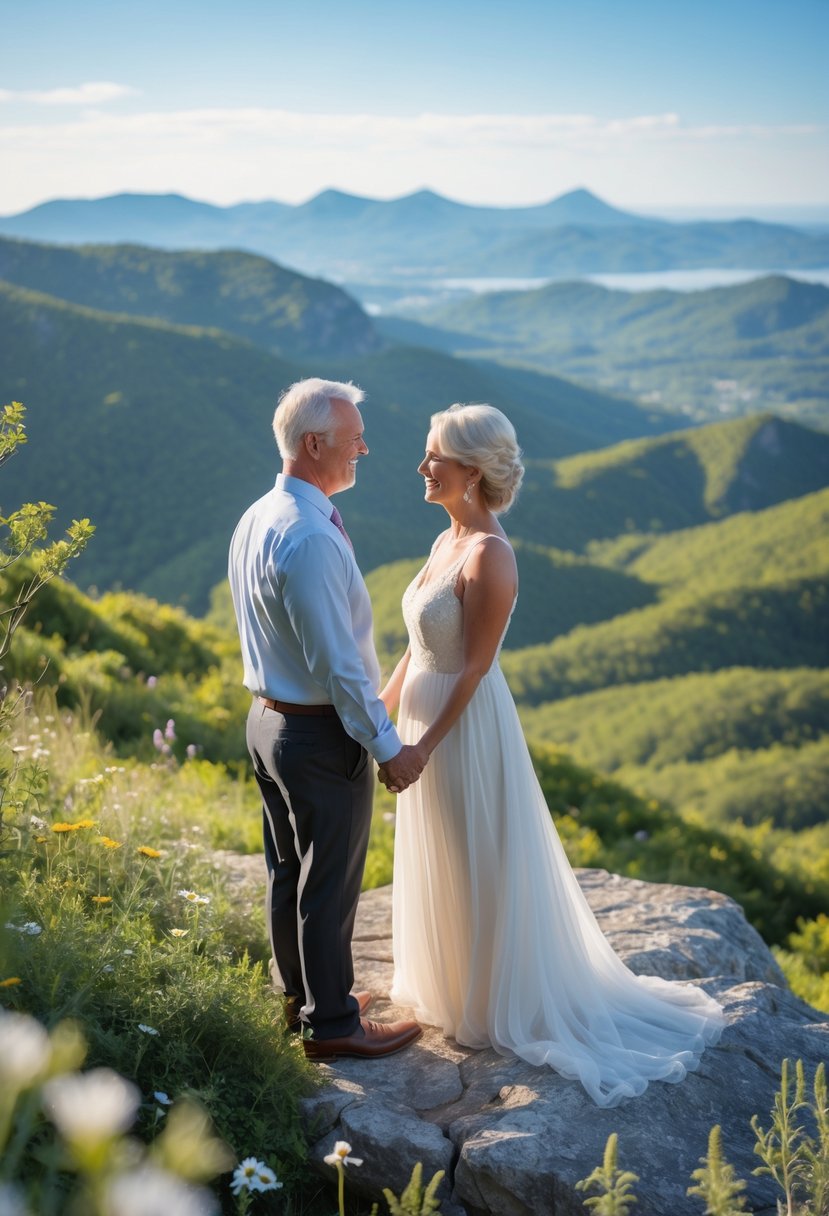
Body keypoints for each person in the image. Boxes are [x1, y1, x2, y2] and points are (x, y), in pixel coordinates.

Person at [379, 403, 724, 1107]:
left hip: (461, 727)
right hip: (420, 713)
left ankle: (492, 998)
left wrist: (418, 747)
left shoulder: (489, 555)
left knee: (475, 854)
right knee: (441, 852)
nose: (422, 467)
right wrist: (374, 719)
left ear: (470, 473)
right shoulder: (446, 541)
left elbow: (472, 669)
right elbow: (415, 650)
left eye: (434, 458)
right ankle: (449, 985)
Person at [228, 377, 423, 1061]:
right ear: (314, 444)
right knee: (328, 885)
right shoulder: (308, 535)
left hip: (267, 722)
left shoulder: (259, 515)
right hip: (316, 732)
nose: (363, 447)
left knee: (290, 872)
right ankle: (334, 1025)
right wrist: (387, 745)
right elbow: (339, 664)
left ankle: (302, 998)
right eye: (352, 439)